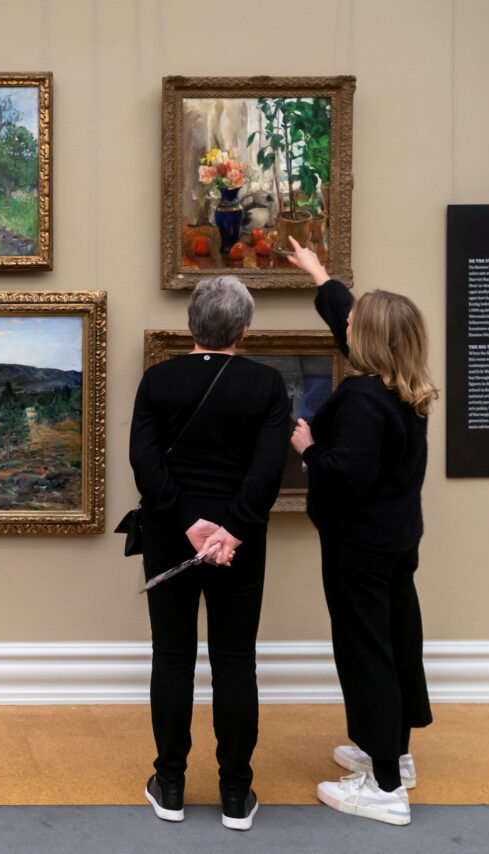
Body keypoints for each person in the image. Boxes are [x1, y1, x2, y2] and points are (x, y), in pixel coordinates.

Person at [286, 237, 438, 826]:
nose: (344, 323)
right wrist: (318, 273)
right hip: (396, 539)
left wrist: (308, 447)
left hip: (359, 548)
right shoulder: (403, 385)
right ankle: (393, 755)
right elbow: (349, 316)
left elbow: (344, 475)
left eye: (352, 322)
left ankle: (384, 788)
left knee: (366, 652)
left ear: (367, 339)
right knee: (396, 641)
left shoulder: (360, 401)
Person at [129, 276, 290, 832]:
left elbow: (145, 464)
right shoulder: (267, 384)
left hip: (170, 536)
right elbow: (268, 470)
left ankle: (170, 785)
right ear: (243, 330)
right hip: (237, 547)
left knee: (173, 657)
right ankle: (235, 794)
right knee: (235, 660)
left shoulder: (158, 381)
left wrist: (189, 524)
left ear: (191, 324)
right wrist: (231, 530)